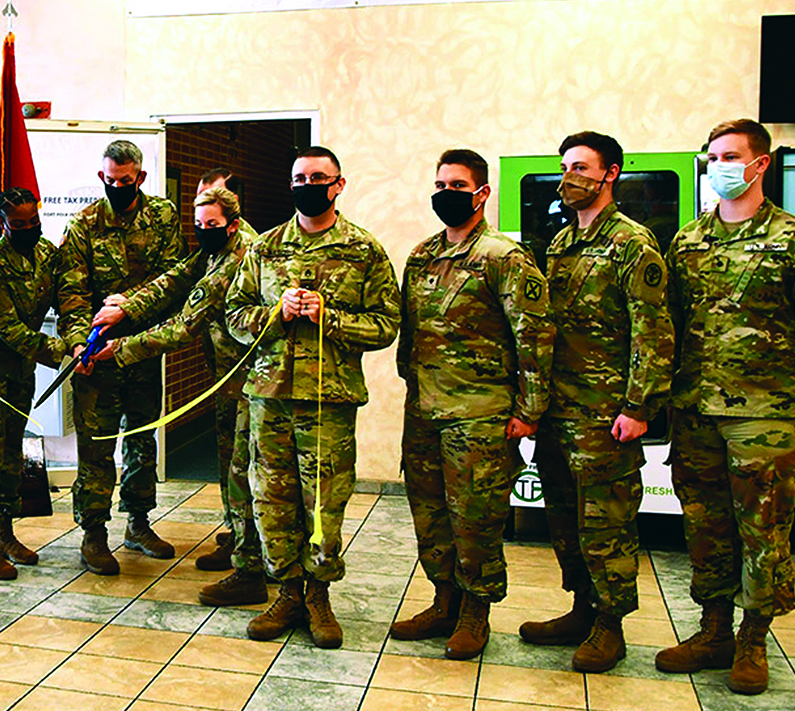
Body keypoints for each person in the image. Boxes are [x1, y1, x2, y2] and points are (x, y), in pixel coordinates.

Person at [658, 119, 795, 694]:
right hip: (695, 411)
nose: (718, 165)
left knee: (763, 530)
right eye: (711, 156)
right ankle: (713, 629)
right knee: (704, 526)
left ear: (760, 164)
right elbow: (669, 326)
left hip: (767, 415)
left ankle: (753, 639)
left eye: (730, 156)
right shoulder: (688, 241)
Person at [226, 147, 399, 648]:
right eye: (299, 177)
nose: (307, 184)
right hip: (269, 396)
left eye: (318, 177)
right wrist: (274, 313)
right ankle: (287, 592)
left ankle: (319, 595)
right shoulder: (266, 248)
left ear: (339, 184)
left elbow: (386, 325)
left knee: (323, 503)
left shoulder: (363, 250)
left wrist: (332, 317)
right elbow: (235, 315)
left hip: (329, 400)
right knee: (271, 500)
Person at [518, 132, 674, 673]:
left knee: (606, 521)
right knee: (563, 516)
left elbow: (652, 332)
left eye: (581, 167)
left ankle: (611, 625)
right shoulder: (560, 244)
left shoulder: (633, 244)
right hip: (559, 409)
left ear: (611, 174)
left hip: (607, 413)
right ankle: (581, 608)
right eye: (565, 167)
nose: (569, 177)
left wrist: (638, 406)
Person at [392, 148, 553, 660]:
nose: (446, 194)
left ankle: (476, 611)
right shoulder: (421, 255)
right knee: (430, 515)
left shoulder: (504, 258)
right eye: (440, 185)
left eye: (458, 186)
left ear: (482, 193)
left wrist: (528, 410)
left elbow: (534, 338)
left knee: (476, 520)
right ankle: (444, 600)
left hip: (480, 416)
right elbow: (410, 335)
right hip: (424, 411)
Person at [92, 186, 265, 607]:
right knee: (232, 464)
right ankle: (240, 539)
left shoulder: (237, 258)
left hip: (250, 382)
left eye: (213, 225)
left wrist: (123, 348)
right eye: (199, 225)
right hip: (228, 377)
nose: (204, 232)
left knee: (246, 471)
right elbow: (175, 280)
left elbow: (185, 325)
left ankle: (252, 564)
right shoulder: (214, 252)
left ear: (234, 224)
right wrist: (128, 306)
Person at [57, 140, 187, 574]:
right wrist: (79, 344)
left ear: (140, 178)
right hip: (97, 355)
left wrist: (128, 305)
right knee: (95, 447)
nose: (117, 187)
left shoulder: (163, 216)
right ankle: (94, 533)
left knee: (142, 439)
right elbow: (71, 295)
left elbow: (174, 280)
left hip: (142, 350)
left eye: (125, 181)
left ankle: (138, 522)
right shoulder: (84, 224)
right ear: (102, 178)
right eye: (110, 181)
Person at [0, 187, 78, 579]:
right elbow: (9, 329)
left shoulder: (46, 254)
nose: (29, 229)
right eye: (20, 224)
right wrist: (63, 349)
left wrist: (81, 334)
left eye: (34, 222)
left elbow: (68, 297)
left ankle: (6, 532)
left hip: (20, 372)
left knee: (13, 452)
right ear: (4, 223)